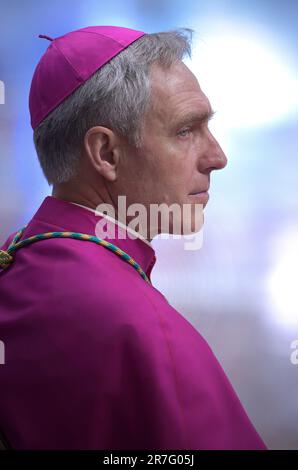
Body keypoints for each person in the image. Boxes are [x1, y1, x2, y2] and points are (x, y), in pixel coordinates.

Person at [0, 25, 266, 450]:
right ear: (105, 153)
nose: (218, 157)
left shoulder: (15, 258)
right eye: (186, 130)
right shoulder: (147, 333)